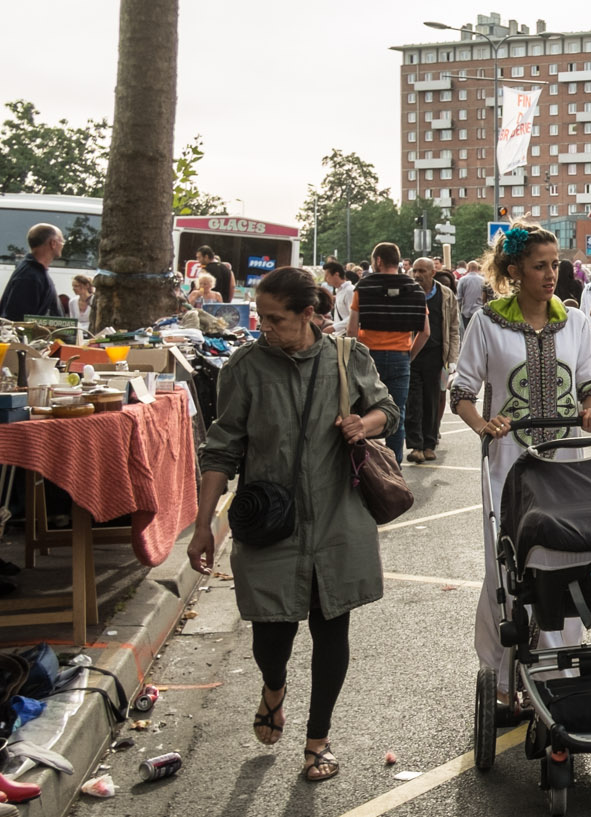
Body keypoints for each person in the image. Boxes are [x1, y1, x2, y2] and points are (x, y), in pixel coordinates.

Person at [187, 266, 399, 784]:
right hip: (270, 522)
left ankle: (318, 740)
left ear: (309, 314)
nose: (265, 327)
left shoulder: (348, 358)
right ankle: (273, 688)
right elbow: (222, 446)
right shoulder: (246, 366)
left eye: (275, 318)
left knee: (333, 629)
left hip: (338, 517)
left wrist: (361, 423)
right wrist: (201, 525)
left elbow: (388, 411)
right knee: (271, 636)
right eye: (261, 316)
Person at [450, 223, 591, 706]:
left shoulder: (576, 321)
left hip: (566, 464)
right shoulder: (488, 322)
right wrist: (483, 426)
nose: (550, 274)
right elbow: (461, 391)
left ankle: (556, 670)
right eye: (539, 266)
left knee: (566, 561)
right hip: (508, 466)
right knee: (509, 570)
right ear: (514, 271)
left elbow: (587, 379)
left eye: (555, 264)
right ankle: (503, 676)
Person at [347, 243, 431, 462]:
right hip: (400, 356)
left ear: (379, 261)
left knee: (365, 413)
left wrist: (354, 358)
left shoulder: (363, 287)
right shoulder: (414, 289)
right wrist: (409, 355)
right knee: (397, 413)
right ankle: (394, 467)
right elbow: (425, 332)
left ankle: (366, 465)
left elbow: (351, 330)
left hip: (367, 356)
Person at [404, 257, 460, 464]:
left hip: (437, 356)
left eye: (421, 271)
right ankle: (416, 446)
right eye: (415, 271)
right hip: (411, 354)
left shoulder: (446, 296)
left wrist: (452, 358)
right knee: (413, 401)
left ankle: (429, 444)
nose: (417, 275)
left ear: (432, 273)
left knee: (433, 400)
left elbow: (454, 329)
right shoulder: (408, 293)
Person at [0, 224, 65, 321]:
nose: (63, 245)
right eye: (61, 241)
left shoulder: (36, 272)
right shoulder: (29, 277)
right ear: (53, 243)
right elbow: (17, 321)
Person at [457, 261, 489, 327]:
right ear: (477, 268)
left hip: (466, 311)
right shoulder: (483, 280)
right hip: (479, 310)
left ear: (468, 268)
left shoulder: (462, 279)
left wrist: (458, 310)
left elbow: (459, 297)